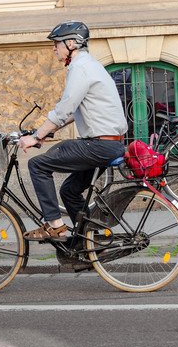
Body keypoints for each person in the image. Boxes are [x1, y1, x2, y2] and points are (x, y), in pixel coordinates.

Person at [17, 21, 128, 240]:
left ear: (70, 43)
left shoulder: (80, 67)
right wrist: (46, 131)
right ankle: (90, 241)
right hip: (109, 143)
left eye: (56, 43)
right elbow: (71, 113)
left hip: (99, 145)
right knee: (69, 191)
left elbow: (63, 109)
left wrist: (36, 137)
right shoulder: (90, 65)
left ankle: (54, 225)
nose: (54, 48)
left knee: (37, 165)